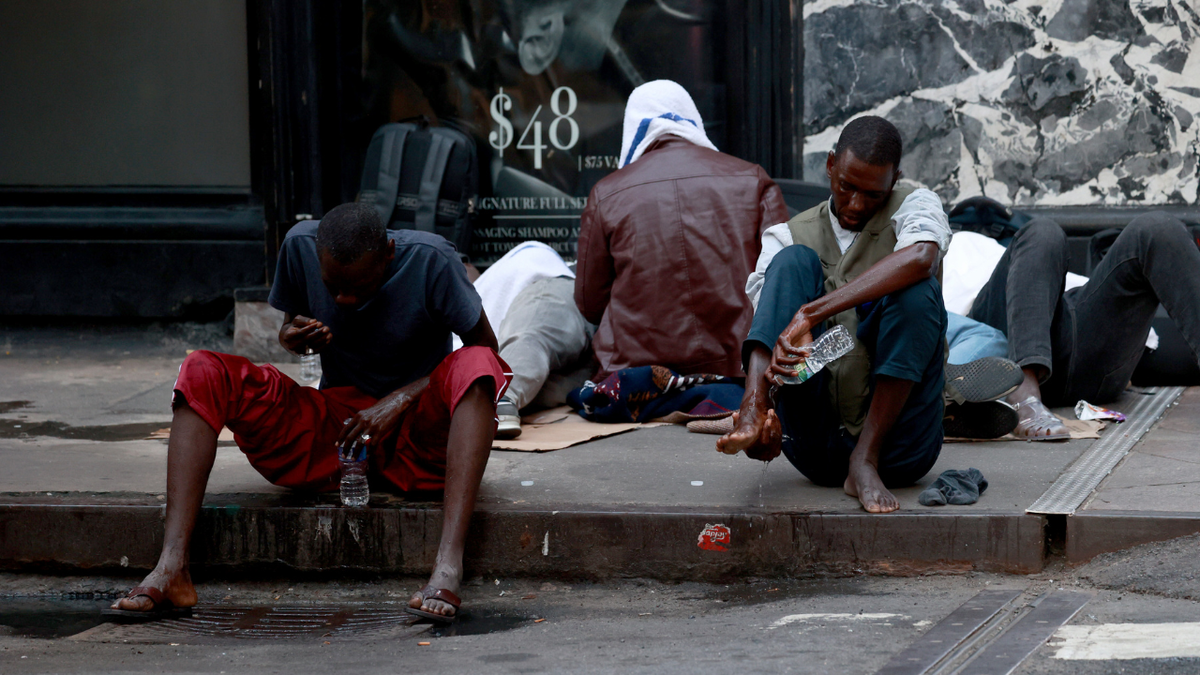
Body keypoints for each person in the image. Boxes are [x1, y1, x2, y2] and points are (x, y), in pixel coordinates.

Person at [108, 203, 510, 623]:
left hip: (420, 437)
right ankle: (172, 566)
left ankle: (447, 567)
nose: (344, 300)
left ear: (389, 253)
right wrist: (293, 339)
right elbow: (288, 327)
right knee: (202, 370)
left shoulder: (433, 259)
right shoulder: (300, 245)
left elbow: (487, 349)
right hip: (340, 436)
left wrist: (400, 400)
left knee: (476, 364)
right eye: (333, 287)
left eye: (359, 287)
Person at [718, 115, 953, 514]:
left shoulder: (916, 206)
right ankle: (751, 412)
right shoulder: (786, 235)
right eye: (846, 187)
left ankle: (866, 458)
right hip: (815, 447)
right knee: (792, 263)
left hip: (903, 448)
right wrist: (769, 397)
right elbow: (770, 319)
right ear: (829, 166)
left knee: (917, 289)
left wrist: (811, 313)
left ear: (895, 180)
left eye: (873, 195)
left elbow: (921, 257)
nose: (856, 205)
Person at [574, 79, 789, 381]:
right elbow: (783, 280)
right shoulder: (752, 178)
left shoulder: (606, 193)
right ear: (693, 119)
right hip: (738, 370)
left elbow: (589, 304)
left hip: (636, 377)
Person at [968, 213, 1200, 439]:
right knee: (1043, 230)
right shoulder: (957, 243)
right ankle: (1022, 392)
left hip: (1083, 340)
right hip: (1007, 347)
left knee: (1158, 227)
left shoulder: (977, 241)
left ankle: (1026, 385)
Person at [459, 241, 595, 438]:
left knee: (531, 336)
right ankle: (499, 399)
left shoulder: (526, 264)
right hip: (572, 360)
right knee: (549, 382)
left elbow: (533, 334)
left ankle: (501, 396)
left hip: (552, 289)